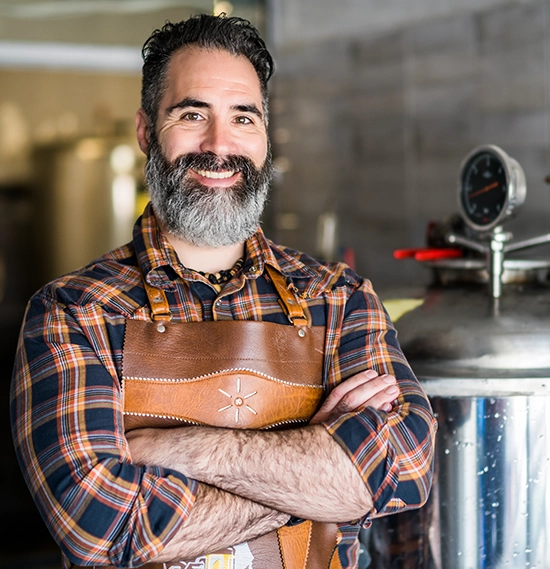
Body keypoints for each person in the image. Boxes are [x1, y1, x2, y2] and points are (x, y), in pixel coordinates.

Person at [10, 13, 437, 569]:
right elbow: (101, 527)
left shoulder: (339, 299)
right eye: (193, 114)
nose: (220, 145)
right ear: (146, 130)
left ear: (263, 136)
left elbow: (402, 470)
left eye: (243, 117)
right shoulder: (75, 311)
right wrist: (314, 483)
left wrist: (176, 448)